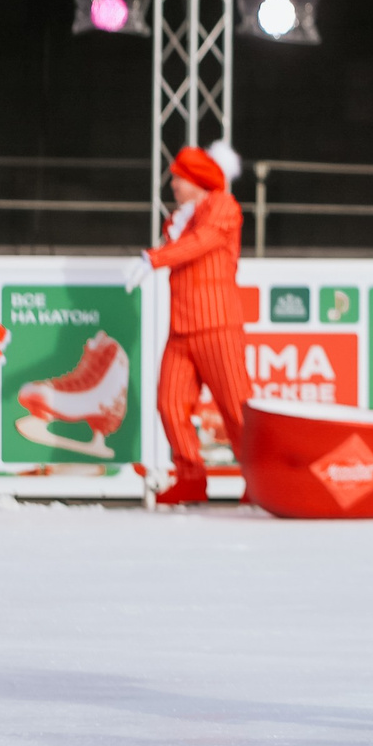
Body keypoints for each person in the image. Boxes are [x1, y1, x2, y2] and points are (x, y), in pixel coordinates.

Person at [129, 141, 249, 506]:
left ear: (197, 179)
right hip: (182, 329)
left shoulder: (224, 206)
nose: (173, 186)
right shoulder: (177, 219)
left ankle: (259, 479)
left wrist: (153, 259)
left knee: (236, 410)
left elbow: (200, 243)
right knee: (169, 403)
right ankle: (191, 477)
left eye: (179, 179)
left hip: (217, 325)